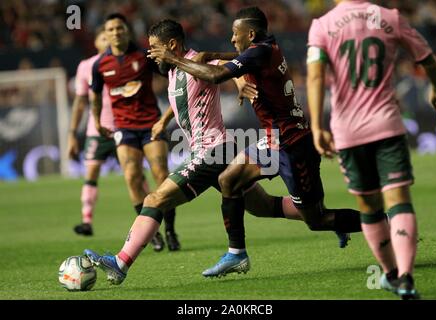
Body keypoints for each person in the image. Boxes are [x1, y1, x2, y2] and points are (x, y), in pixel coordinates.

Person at [83, 19, 346, 285]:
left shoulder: (197, 60)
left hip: (213, 150)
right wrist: (164, 120)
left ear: (172, 45)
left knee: (154, 200)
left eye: (155, 48)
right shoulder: (174, 69)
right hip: (219, 151)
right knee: (263, 206)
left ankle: (120, 263)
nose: (151, 54)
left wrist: (241, 80)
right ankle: (328, 220)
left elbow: (233, 65)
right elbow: (185, 97)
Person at [148, 7, 364, 278]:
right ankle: (236, 254)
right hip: (273, 140)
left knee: (316, 219)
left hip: (293, 144)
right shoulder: (265, 48)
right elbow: (234, 59)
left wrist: (172, 58)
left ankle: (383, 223)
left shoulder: (259, 53)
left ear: (250, 34)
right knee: (229, 179)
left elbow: (215, 76)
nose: (232, 39)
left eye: (235, 34)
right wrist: (211, 56)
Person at [306, 0, 436, 299]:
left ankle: (390, 274)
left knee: (370, 207)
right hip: (387, 125)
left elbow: (316, 75)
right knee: (399, 200)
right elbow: (427, 59)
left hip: (348, 131)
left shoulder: (322, 26)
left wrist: (318, 126)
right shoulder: (390, 18)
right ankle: (407, 278)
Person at [90, 13, 180, 251]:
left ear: (126, 31)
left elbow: (171, 75)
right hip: (124, 128)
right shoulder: (100, 65)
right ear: (105, 34)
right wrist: (97, 121)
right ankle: (151, 233)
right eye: (111, 29)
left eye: (120, 28)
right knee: (132, 177)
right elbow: (96, 96)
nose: (116, 32)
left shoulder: (143, 55)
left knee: (161, 175)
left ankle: (170, 229)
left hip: (151, 123)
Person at [68, 27, 116, 236]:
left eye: (110, 37)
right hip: (96, 131)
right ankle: (86, 220)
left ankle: (150, 226)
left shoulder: (122, 62)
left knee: (135, 176)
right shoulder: (86, 66)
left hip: (122, 129)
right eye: (103, 37)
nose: (107, 40)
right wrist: (72, 134)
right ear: (95, 42)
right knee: (91, 174)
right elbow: (80, 102)